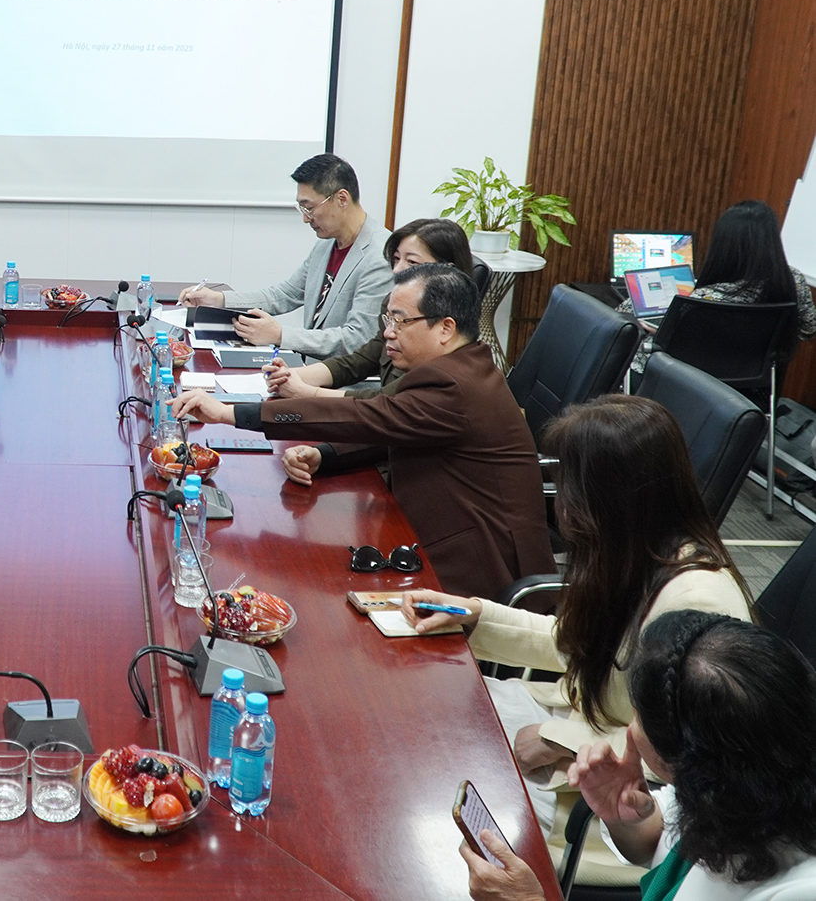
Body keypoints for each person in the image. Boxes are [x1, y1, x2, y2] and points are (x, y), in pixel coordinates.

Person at [402, 393, 751, 884]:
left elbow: (689, 757)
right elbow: (586, 645)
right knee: (423, 725)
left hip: (605, 808)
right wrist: (474, 616)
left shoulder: (697, 602)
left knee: (427, 821)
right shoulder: (640, 553)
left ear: (613, 497)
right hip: (573, 725)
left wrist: (558, 741)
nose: (561, 505)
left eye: (571, 488)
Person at [173, 262, 553, 600]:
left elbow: (367, 416)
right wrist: (324, 454)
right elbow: (398, 428)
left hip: (479, 570)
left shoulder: (451, 385)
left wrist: (229, 413)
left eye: (400, 321)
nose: (388, 333)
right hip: (435, 534)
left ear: (445, 328)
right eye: (388, 320)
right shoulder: (459, 367)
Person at [461, 611, 816, 901]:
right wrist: (627, 819)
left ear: (684, 760)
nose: (630, 730)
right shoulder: (747, 780)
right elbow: (663, 846)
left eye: (637, 717)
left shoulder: (799, 891)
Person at [177, 153, 392, 360]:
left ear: (342, 199)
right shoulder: (325, 245)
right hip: (311, 368)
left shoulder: (380, 256)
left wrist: (280, 335)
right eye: (302, 209)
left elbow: (356, 340)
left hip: (345, 379)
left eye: (309, 208)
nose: (306, 219)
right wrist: (219, 300)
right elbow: (285, 295)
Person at [265, 217, 475, 400]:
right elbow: (362, 360)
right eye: (396, 259)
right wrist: (292, 375)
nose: (397, 270)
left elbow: (388, 402)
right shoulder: (393, 305)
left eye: (411, 262)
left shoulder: (442, 333)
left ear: (448, 271)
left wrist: (306, 392)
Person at [618, 199, 816, 374]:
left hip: (693, 380)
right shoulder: (793, 280)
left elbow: (622, 315)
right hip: (752, 379)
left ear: (723, 244)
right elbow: (808, 331)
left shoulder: (705, 297)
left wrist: (659, 330)